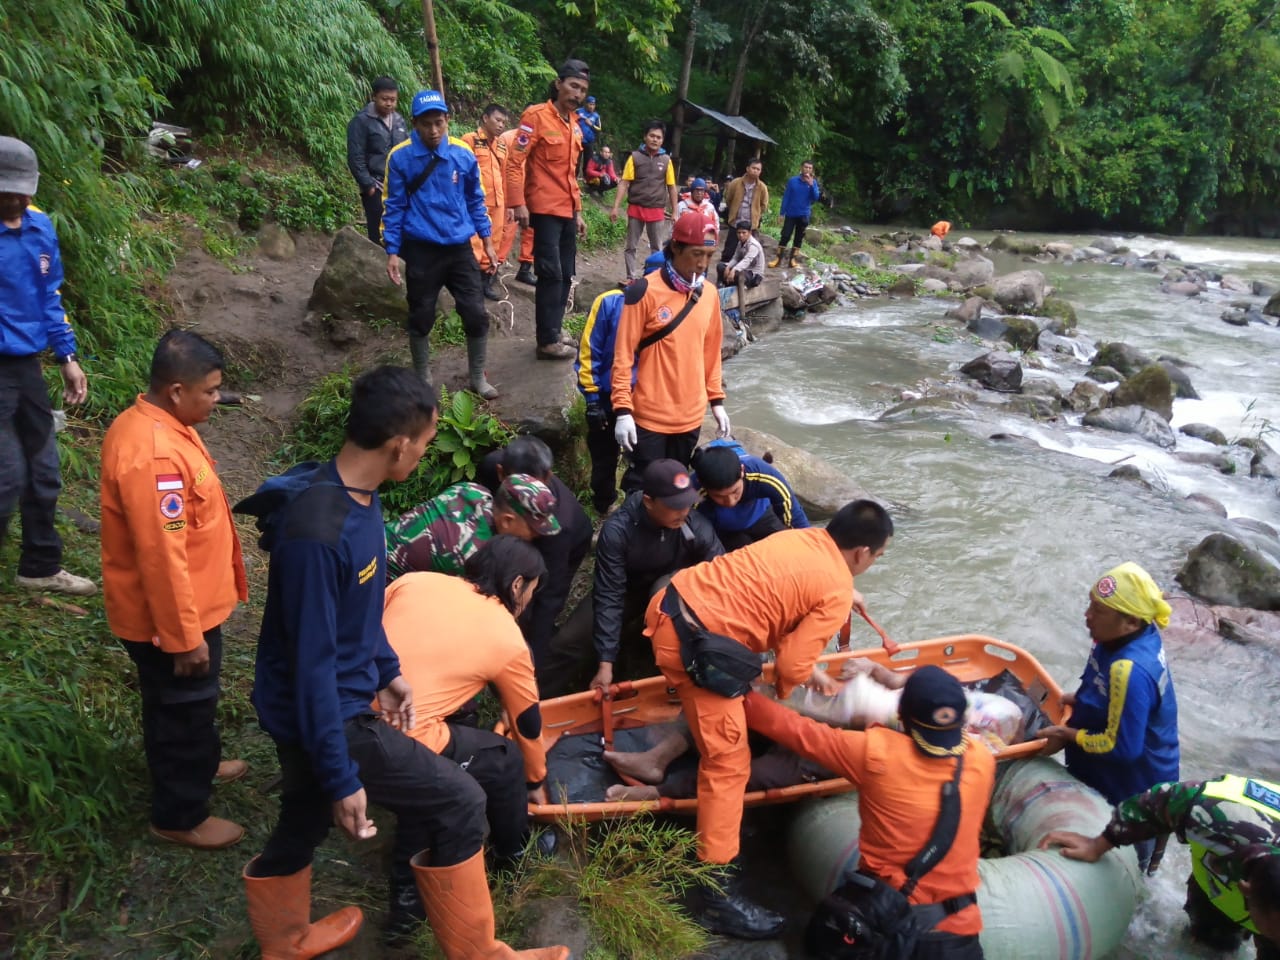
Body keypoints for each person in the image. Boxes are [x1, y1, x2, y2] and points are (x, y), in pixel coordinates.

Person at [234, 367, 568, 957]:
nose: (426, 450)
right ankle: (479, 952)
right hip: (327, 712)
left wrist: (389, 670)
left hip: (349, 692)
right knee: (459, 799)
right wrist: (341, 774)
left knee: (303, 817)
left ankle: (285, 939)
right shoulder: (317, 533)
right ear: (399, 444)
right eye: (426, 440)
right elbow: (311, 663)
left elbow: (361, 613)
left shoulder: (361, 503)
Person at [645, 499, 893, 938]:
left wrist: (802, 667)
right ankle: (714, 894)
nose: (872, 564)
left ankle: (668, 762)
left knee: (726, 712)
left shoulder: (798, 538)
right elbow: (794, 668)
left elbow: (776, 608)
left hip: (670, 604)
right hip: (693, 645)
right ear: (862, 554)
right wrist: (796, 682)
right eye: (877, 557)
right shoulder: (837, 590)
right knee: (728, 765)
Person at [100, 330, 249, 850]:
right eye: (209, 391)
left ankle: (200, 767)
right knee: (181, 709)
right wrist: (184, 637)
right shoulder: (157, 456)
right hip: (171, 623)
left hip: (191, 609)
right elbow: (162, 558)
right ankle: (179, 814)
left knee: (190, 705)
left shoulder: (163, 424)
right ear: (176, 391)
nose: (216, 399)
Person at [743, 666, 994, 957]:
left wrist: (741, 693)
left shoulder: (876, 753)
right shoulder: (982, 760)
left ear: (901, 715)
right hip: (959, 933)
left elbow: (799, 732)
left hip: (887, 927)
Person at [381, 538, 554, 932]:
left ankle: (407, 902)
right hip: (396, 738)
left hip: (347, 711)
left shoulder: (416, 581)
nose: (528, 602)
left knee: (448, 737)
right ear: (516, 586)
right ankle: (512, 854)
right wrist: (536, 778)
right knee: (504, 758)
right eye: (531, 591)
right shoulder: (507, 638)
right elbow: (526, 720)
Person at [0, 136, 95, 597]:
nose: (15, 198)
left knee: (43, 468)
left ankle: (39, 566)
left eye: (21, 189)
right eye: (5, 190)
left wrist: (67, 357)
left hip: (26, 366)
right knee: (6, 474)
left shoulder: (39, 228)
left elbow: (49, 297)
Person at [1038, 561, 1179, 870]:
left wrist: (1067, 735)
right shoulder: (1118, 637)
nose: (1087, 616)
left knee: (1135, 872)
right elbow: (1102, 685)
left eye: (1097, 612)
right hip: (1111, 775)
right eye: (1090, 605)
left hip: (1135, 791)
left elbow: (1123, 749)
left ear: (1129, 621)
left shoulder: (1130, 669)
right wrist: (1079, 698)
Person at [540, 459, 723, 698]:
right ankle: (531, 706)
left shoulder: (694, 526)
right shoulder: (618, 531)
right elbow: (609, 594)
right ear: (648, 501)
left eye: (688, 504)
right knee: (568, 641)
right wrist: (606, 661)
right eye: (675, 506)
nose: (684, 512)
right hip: (628, 590)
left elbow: (722, 570)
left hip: (676, 589)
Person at [1042, 776, 1280, 959]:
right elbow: (1155, 804)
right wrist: (1098, 844)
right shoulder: (1211, 815)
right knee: (1212, 945)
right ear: (1246, 890)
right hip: (1218, 888)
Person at [383, 90, 500, 399]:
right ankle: (423, 376)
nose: (434, 131)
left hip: (460, 248)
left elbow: (476, 200)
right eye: (426, 124)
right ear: (415, 123)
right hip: (422, 249)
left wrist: (487, 242)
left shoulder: (463, 154)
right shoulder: (400, 157)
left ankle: (477, 376)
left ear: (447, 121)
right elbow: (393, 206)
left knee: (475, 312)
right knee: (421, 315)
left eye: (439, 123)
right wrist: (392, 251)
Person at [610, 210, 729, 494]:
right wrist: (623, 410)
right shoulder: (644, 291)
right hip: (650, 415)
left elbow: (711, 352)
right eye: (696, 254)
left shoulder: (709, 294)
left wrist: (716, 400)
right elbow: (623, 356)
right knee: (644, 490)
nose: (702, 264)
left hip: (690, 416)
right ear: (675, 247)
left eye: (709, 256)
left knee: (677, 489)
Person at [475, 436, 593, 671]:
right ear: (501, 474)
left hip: (567, 543)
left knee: (532, 601)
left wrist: (532, 664)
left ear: (548, 476)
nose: (527, 494)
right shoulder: (492, 467)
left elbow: (550, 596)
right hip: (512, 526)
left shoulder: (559, 526)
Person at [507, 59, 591, 360]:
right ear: (558, 84)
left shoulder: (576, 124)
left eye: (582, 90)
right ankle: (546, 341)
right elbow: (515, 161)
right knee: (550, 273)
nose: (577, 94)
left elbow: (571, 173)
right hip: (542, 208)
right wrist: (517, 202)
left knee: (567, 274)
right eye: (573, 86)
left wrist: (578, 211)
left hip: (567, 209)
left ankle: (555, 330)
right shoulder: (536, 116)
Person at [574, 249, 667, 514]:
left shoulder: (669, 309)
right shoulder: (610, 302)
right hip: (607, 398)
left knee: (644, 461)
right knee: (604, 457)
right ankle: (604, 506)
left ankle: (636, 510)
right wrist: (592, 400)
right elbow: (590, 350)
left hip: (645, 402)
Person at [384, 473, 560, 579]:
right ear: (507, 520)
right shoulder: (473, 554)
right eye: (533, 529)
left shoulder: (473, 490)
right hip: (381, 579)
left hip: (376, 538)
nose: (537, 536)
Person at [690, 439, 809, 550]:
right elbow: (695, 535)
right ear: (702, 484)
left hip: (760, 515)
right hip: (723, 529)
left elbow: (794, 515)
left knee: (785, 547)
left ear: (742, 471)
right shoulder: (693, 492)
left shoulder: (763, 474)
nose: (730, 501)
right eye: (719, 496)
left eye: (735, 491)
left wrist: (808, 545)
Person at [611, 121, 678, 281]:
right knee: (631, 246)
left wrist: (675, 210)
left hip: (656, 210)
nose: (655, 140)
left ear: (662, 140)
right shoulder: (634, 157)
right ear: (645, 137)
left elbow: (672, 187)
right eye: (652, 136)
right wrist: (615, 207)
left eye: (659, 137)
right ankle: (631, 277)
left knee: (657, 247)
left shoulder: (666, 160)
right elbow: (624, 183)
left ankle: (654, 278)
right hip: (636, 208)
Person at [346, 77, 410, 245]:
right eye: (385, 99)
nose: (389, 103)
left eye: (393, 100)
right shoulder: (361, 121)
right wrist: (368, 185)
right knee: (377, 232)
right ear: (374, 96)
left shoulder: (399, 121)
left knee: (400, 229)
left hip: (399, 185)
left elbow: (407, 149)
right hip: (376, 184)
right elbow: (355, 156)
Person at [461, 103, 511, 302]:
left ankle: (486, 283)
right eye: (497, 120)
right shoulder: (470, 140)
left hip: (498, 202)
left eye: (504, 122)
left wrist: (508, 204)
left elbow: (504, 174)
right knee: (475, 243)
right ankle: (470, 285)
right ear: (485, 118)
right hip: (476, 202)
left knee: (495, 242)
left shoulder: (501, 145)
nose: (501, 125)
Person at [770, 160, 821, 269]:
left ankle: (792, 260)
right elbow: (786, 197)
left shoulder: (813, 183)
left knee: (798, 238)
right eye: (805, 167)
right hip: (791, 214)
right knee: (785, 235)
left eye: (809, 168)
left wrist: (811, 185)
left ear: (812, 170)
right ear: (801, 168)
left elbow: (815, 198)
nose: (807, 169)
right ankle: (778, 259)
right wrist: (781, 213)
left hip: (804, 215)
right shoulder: (793, 181)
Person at [718, 158, 768, 264]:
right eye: (753, 168)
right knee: (729, 250)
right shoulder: (736, 183)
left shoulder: (762, 187)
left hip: (751, 225)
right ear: (747, 169)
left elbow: (763, 205)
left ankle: (744, 275)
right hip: (736, 222)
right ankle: (723, 273)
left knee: (751, 252)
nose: (755, 171)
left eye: (758, 169)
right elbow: (728, 199)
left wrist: (756, 214)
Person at [716, 220, 765, 289]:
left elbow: (747, 260)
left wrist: (734, 269)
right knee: (720, 266)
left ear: (750, 233)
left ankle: (732, 286)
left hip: (753, 274)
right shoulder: (740, 242)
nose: (741, 235)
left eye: (744, 232)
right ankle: (722, 285)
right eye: (739, 233)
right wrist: (728, 267)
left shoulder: (754, 245)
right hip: (742, 269)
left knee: (738, 275)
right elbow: (736, 258)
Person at [676, 178, 719, 243]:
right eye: (697, 190)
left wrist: (713, 239)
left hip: (704, 241)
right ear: (692, 191)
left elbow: (716, 225)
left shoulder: (710, 207)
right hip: (686, 241)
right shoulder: (682, 206)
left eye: (702, 190)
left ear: (705, 192)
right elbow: (675, 225)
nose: (699, 193)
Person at [575, 95, 601, 179]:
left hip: (589, 142)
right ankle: (573, 179)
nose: (592, 106)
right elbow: (570, 121)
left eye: (593, 104)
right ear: (586, 104)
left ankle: (586, 180)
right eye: (590, 104)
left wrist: (591, 124)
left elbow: (599, 129)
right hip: (578, 140)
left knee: (588, 161)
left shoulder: (596, 116)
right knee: (576, 161)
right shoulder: (578, 111)